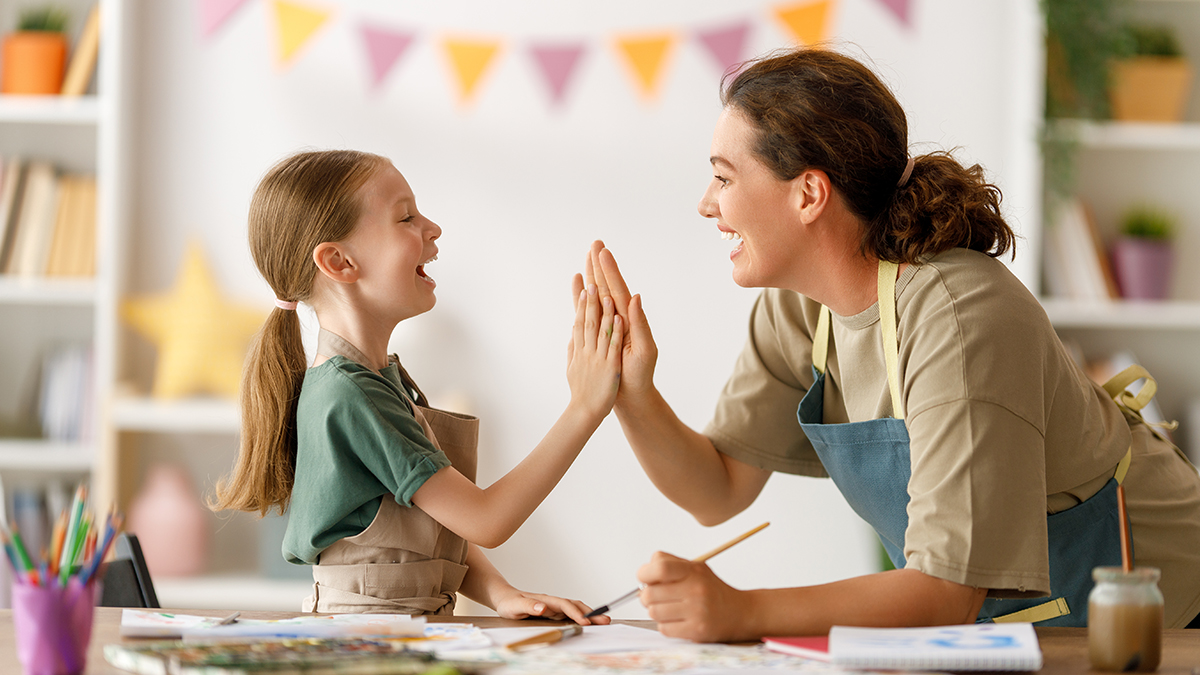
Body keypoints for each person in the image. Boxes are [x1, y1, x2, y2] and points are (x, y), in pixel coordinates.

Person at [580, 47, 1200, 641]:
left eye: (723, 178)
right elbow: (716, 490)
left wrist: (739, 611)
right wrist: (630, 391)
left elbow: (946, 590)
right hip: (1000, 624)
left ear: (809, 194)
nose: (706, 204)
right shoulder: (800, 307)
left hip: (1167, 614)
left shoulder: (959, 315)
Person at [212, 149, 622, 621]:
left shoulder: (375, 380)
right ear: (340, 261)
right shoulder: (352, 394)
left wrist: (502, 593)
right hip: (365, 643)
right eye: (406, 217)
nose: (433, 228)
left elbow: (433, 525)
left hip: (402, 631)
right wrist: (585, 407)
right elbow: (485, 519)